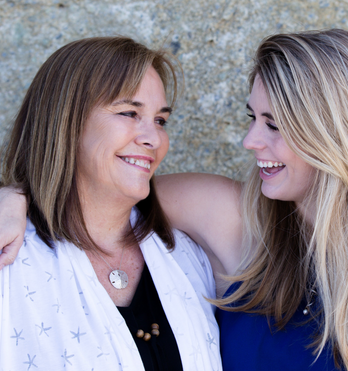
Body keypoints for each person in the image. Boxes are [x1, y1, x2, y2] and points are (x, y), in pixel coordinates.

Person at [0, 29, 348, 370]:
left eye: (273, 124)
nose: (250, 141)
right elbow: (89, 187)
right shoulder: (228, 218)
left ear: (333, 132)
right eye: (253, 117)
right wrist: (12, 196)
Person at [0, 37, 221, 371]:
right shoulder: (10, 259)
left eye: (160, 120)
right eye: (129, 113)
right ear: (65, 122)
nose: (154, 138)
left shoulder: (186, 254)